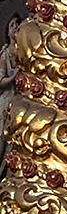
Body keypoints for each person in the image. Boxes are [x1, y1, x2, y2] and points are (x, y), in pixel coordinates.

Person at [0, 13, 19, 171]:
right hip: (7, 102)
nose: (16, 27)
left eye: (17, 24)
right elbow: (1, 80)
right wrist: (14, 76)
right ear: (7, 32)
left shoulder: (24, 49)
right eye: (12, 25)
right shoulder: (5, 54)